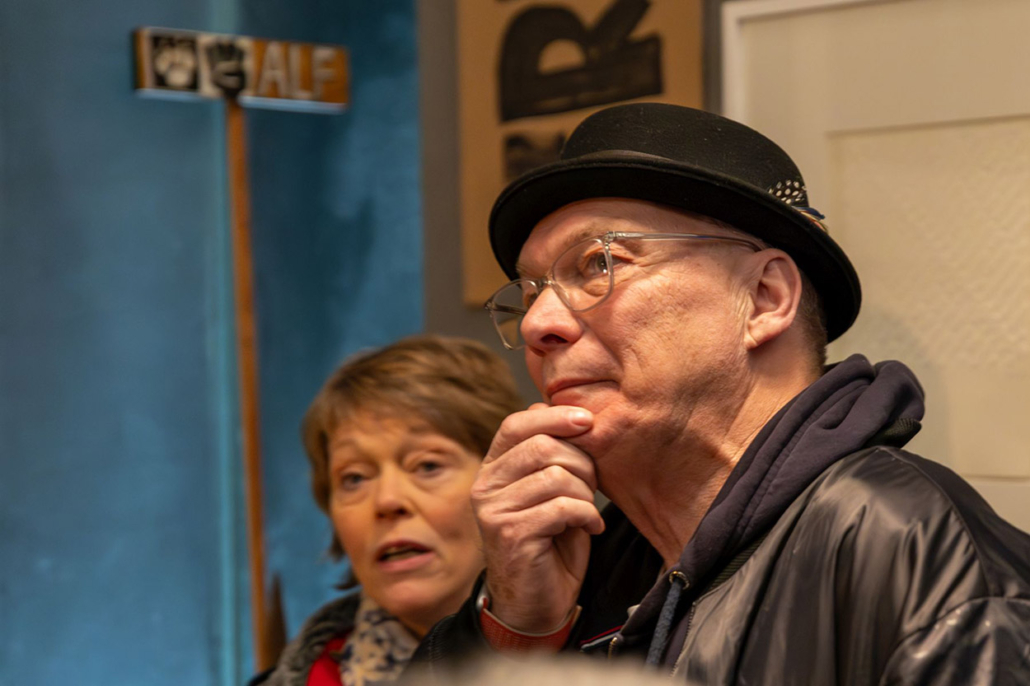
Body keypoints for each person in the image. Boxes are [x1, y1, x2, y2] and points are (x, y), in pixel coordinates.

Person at [413, 103, 1030, 683]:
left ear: (764, 298)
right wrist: (515, 632)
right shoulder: (577, 558)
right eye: (529, 292)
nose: (537, 323)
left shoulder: (910, 546)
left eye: (600, 263)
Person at [256, 335, 523, 686]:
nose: (387, 501)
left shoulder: (590, 656)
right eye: (354, 478)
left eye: (427, 466)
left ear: (507, 476)